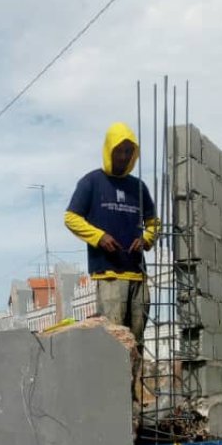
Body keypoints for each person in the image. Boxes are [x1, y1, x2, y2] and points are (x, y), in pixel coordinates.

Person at [64, 122, 159, 348]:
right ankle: (116, 384)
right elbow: (71, 217)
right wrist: (99, 237)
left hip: (138, 275)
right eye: (119, 150)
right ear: (109, 149)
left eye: (129, 151)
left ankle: (136, 384)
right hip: (109, 276)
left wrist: (146, 238)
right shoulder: (92, 182)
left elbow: (154, 223)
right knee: (115, 343)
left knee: (137, 341)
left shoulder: (139, 187)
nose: (124, 156)